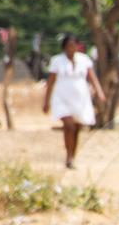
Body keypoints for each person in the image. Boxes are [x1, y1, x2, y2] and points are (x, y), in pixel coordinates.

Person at [43, 34, 105, 169]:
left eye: (73, 46)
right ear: (64, 47)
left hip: (80, 98)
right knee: (69, 125)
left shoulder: (84, 59)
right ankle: (68, 156)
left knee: (77, 128)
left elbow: (92, 77)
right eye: (68, 46)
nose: (71, 48)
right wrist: (46, 101)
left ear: (77, 46)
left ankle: (72, 156)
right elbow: (51, 82)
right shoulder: (57, 61)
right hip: (62, 97)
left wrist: (99, 92)